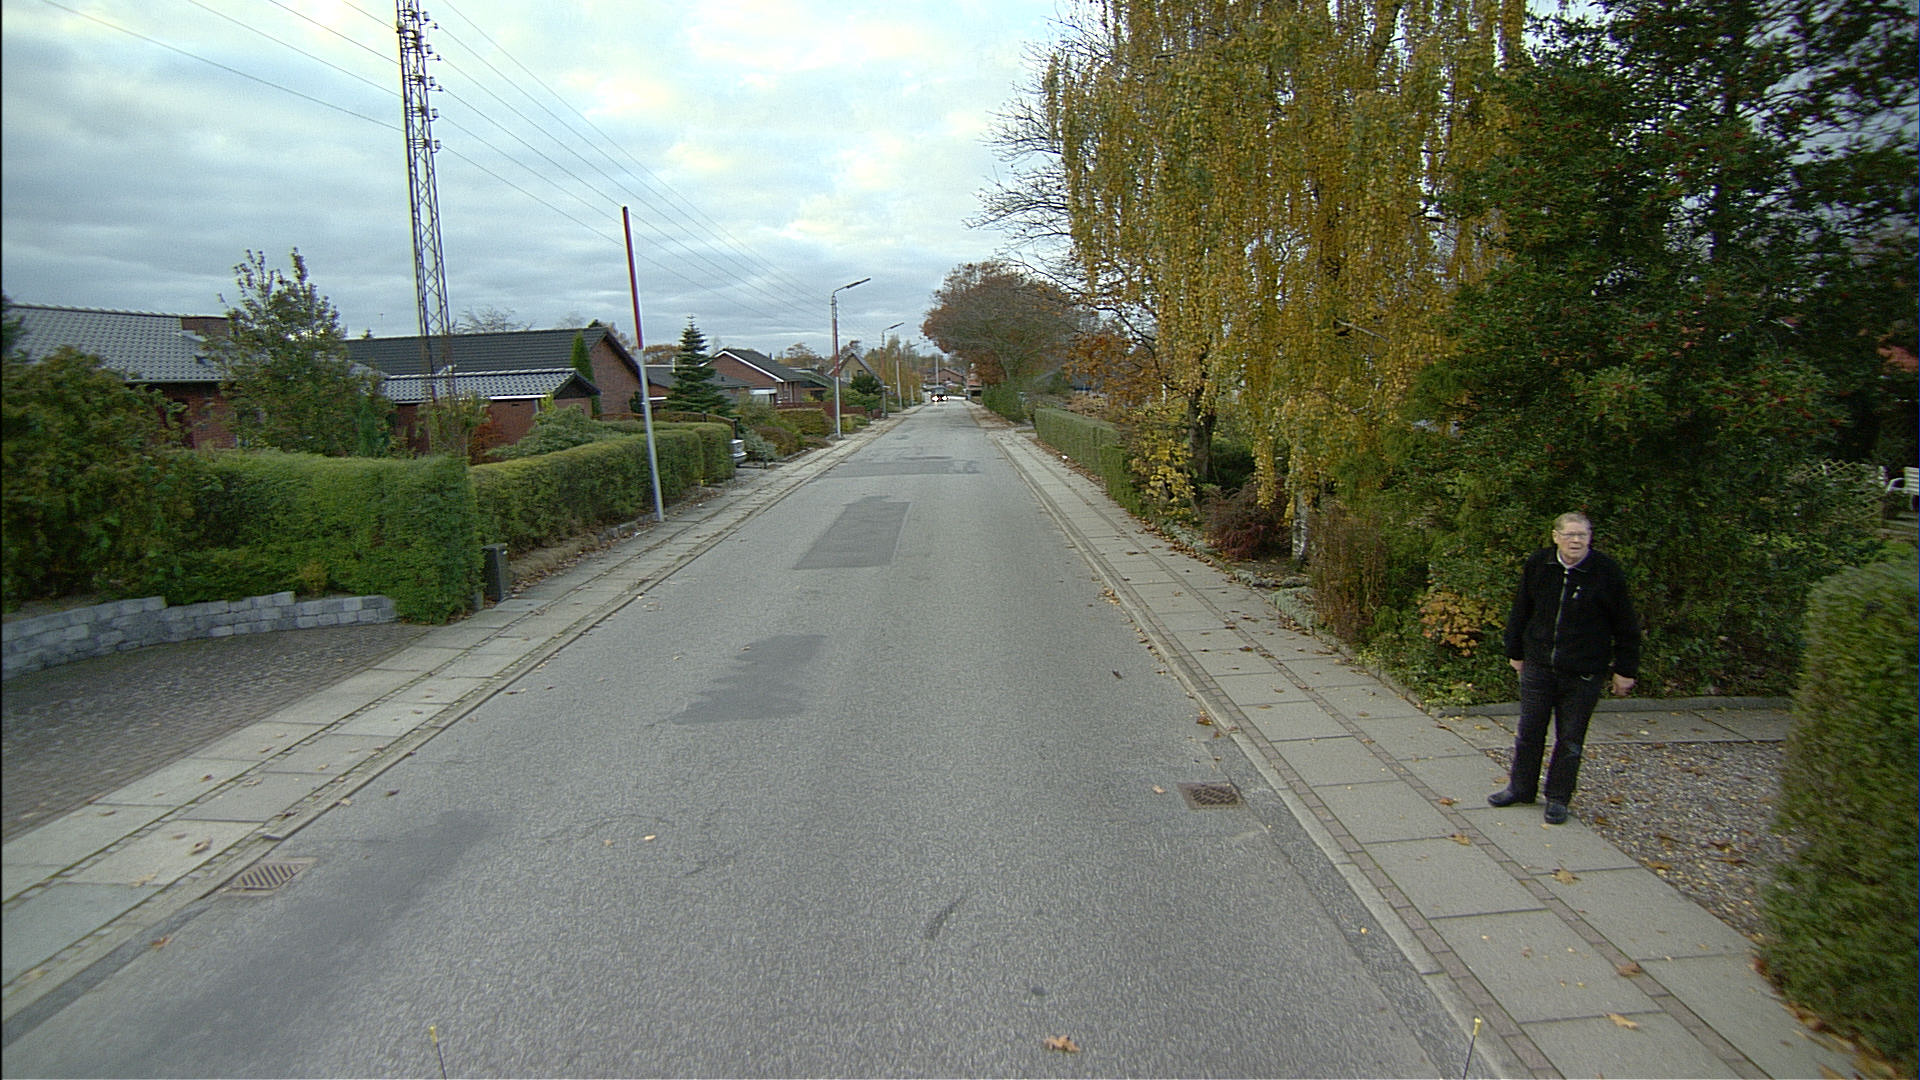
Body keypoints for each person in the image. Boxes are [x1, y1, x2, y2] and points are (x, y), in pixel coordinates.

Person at [1489, 511, 1641, 824]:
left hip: (1583, 671)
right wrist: (1514, 651)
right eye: (1570, 535)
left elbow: (1626, 624)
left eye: (1582, 535)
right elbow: (1521, 609)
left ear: (1590, 538)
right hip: (1539, 665)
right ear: (1556, 537)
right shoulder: (1539, 565)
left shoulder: (1606, 572)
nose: (1576, 541)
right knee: (1529, 731)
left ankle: (1558, 798)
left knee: (1570, 738)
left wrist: (1625, 669)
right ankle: (1521, 788)